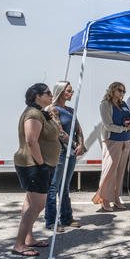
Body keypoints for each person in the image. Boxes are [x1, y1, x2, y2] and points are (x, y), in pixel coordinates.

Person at [13, 83, 60, 257]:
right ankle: (18, 244)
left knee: (30, 203)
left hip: (39, 164)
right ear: (36, 96)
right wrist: (41, 164)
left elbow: (54, 134)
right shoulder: (33, 114)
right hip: (34, 165)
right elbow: (31, 140)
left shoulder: (41, 113)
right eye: (47, 93)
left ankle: (28, 239)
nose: (51, 95)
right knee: (37, 205)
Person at [44, 81, 86, 232]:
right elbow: (60, 132)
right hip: (60, 152)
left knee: (65, 186)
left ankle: (66, 217)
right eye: (69, 90)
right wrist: (76, 145)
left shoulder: (70, 109)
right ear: (60, 91)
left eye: (72, 90)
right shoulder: (52, 110)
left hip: (71, 152)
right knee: (54, 186)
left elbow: (79, 129)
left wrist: (81, 144)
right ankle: (50, 221)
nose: (71, 93)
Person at [92, 82, 130, 211]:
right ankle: (104, 199)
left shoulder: (123, 104)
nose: (122, 93)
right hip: (112, 140)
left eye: (124, 91)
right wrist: (123, 128)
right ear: (112, 90)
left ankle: (116, 198)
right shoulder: (105, 104)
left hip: (125, 141)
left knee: (120, 172)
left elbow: (128, 119)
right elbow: (108, 124)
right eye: (120, 90)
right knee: (109, 171)